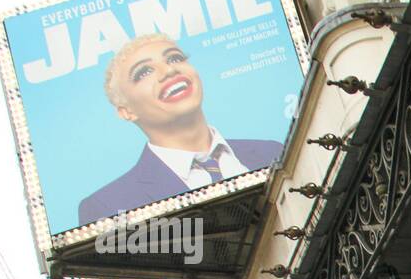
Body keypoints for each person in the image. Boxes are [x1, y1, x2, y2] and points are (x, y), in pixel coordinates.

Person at [79, 33, 285, 224]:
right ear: (126, 111)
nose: (169, 70)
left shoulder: (272, 152)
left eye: (175, 58)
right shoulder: (106, 207)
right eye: (144, 72)